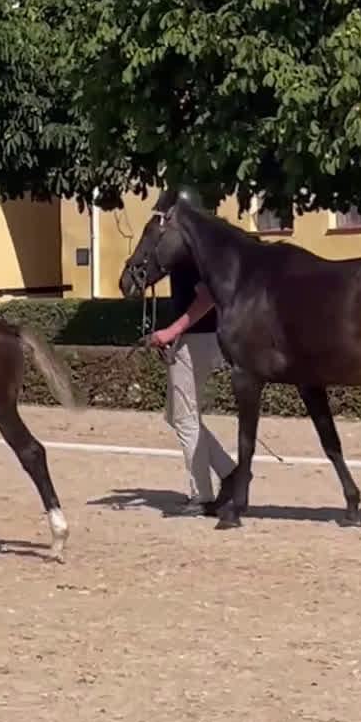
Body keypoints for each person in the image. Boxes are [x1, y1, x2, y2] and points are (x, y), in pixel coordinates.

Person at [146, 185, 235, 516]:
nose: (161, 222)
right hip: (201, 337)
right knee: (177, 415)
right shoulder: (200, 247)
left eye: (164, 216)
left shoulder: (189, 252)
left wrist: (171, 331)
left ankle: (202, 496)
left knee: (184, 417)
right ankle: (230, 472)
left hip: (194, 339)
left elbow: (207, 298)